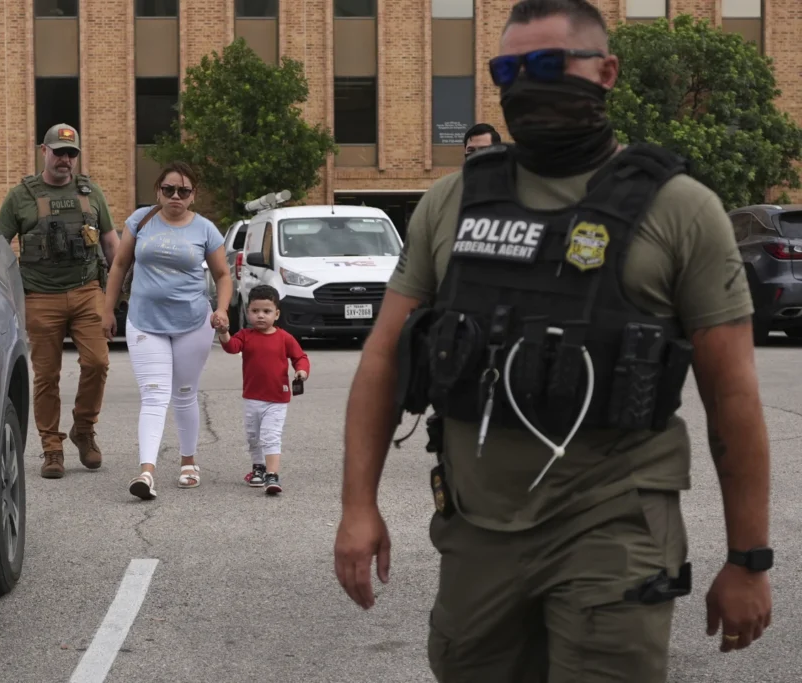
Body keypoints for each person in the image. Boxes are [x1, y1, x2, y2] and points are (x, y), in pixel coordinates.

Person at [333, 1, 773, 681]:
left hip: (614, 527)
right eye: (507, 69)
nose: (525, 84)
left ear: (608, 71)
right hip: (478, 532)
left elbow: (733, 394)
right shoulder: (452, 201)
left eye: (546, 64)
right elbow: (384, 359)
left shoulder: (681, 209)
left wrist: (748, 558)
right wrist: (358, 506)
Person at [0, 123, 120, 479]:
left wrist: (116, 295)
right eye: (59, 152)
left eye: (71, 153)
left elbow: (112, 245)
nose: (65, 159)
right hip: (39, 296)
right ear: (43, 151)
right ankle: (52, 447)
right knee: (46, 375)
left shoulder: (91, 192)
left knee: (97, 363)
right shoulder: (20, 196)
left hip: (85, 291)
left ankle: (84, 429)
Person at [101, 161, 233, 501]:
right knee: (155, 394)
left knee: (185, 392)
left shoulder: (205, 229)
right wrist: (107, 309)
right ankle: (146, 472)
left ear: (193, 196)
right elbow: (119, 265)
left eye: (183, 191)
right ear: (158, 191)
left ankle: (188, 461)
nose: (175, 196)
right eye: (168, 189)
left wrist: (221, 309)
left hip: (193, 323)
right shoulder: (141, 220)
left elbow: (222, 275)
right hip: (145, 320)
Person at [217, 285, 311, 495]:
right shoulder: (245, 335)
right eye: (255, 311)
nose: (260, 316)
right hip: (252, 398)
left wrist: (302, 372)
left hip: (277, 399)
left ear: (276, 314)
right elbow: (231, 347)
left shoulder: (284, 337)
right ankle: (257, 468)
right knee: (253, 436)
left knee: (270, 435)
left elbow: (300, 357)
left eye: (266, 312)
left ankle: (272, 475)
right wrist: (223, 332)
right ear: (248, 312)